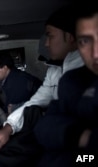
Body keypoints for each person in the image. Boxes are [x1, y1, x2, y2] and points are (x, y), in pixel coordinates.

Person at [0, 5, 84, 167]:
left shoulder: (86, 66)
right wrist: (8, 128)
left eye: (50, 36)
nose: (47, 44)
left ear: (70, 37)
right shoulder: (55, 70)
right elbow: (36, 102)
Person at [34, 4, 98, 167]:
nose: (95, 53)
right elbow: (45, 126)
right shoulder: (73, 80)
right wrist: (81, 136)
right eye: (84, 41)